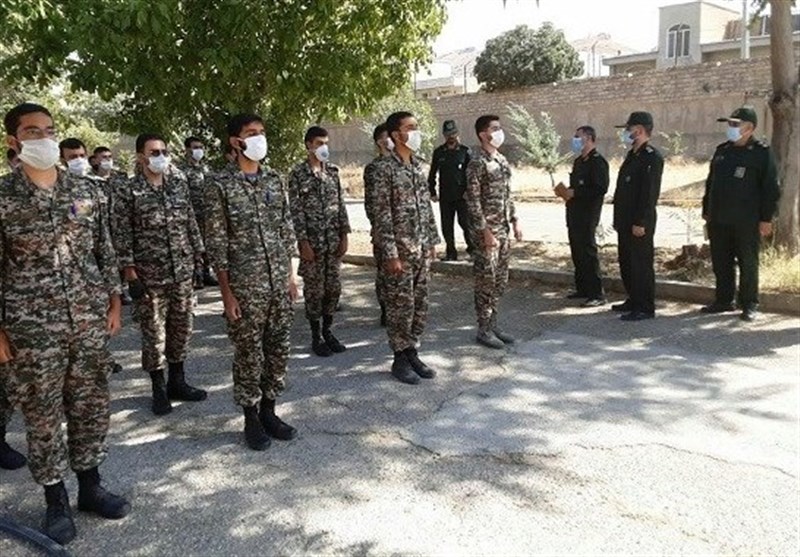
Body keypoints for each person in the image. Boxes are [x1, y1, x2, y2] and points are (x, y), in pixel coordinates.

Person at [1, 102, 129, 545]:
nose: (45, 138)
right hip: (32, 328)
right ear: (14, 141)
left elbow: (104, 250)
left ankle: (91, 487)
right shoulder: (4, 196)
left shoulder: (85, 190)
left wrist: (114, 302)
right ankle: (55, 499)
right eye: (32, 131)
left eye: (50, 130)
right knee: (42, 414)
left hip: (89, 319)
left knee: (91, 405)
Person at [204, 113, 299, 451]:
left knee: (278, 350)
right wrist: (226, 294)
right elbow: (217, 243)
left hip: (278, 284)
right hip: (245, 286)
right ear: (236, 141)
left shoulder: (273, 179)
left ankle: (270, 411)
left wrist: (290, 277)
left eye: (261, 132)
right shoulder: (219, 185)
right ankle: (251, 418)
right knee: (249, 354)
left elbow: (285, 229)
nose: (259, 138)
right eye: (251, 133)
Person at [114, 134, 207, 416]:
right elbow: (122, 235)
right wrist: (130, 275)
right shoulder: (129, 191)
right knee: (153, 334)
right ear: (140, 156)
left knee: (182, 328)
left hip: (181, 271)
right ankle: (158, 387)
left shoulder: (177, 185)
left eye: (164, 151)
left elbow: (190, 222)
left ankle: (177, 381)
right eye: (154, 152)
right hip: (149, 277)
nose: (160, 156)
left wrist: (198, 258)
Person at [372, 111, 440, 384]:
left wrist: (432, 240)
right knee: (400, 306)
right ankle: (399, 358)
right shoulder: (384, 169)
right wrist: (390, 253)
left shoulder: (417, 166)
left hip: (421, 248)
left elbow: (426, 207)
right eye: (410, 128)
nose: (415, 132)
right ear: (396, 134)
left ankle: (412, 351)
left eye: (416, 127)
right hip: (400, 252)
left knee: (420, 304)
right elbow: (381, 214)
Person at [701, 106, 780, 322]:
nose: (731, 128)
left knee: (748, 262)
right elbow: (711, 183)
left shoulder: (761, 153)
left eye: (736, 124)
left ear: (750, 128)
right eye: (730, 124)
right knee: (721, 261)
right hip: (719, 218)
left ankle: (749, 303)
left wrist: (766, 218)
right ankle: (724, 300)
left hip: (747, 220)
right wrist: (707, 211)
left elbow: (770, 188)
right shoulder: (722, 150)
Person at [288, 126, 350, 357]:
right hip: (312, 244)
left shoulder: (332, 172)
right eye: (319, 143)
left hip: (333, 242)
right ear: (308, 145)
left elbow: (340, 205)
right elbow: (296, 211)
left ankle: (328, 331)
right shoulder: (298, 174)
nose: (324, 147)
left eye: (326, 143)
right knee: (314, 291)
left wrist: (344, 235)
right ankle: (316, 336)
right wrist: (302, 242)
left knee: (333, 289)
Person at [466, 115, 522, 349]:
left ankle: (493, 324)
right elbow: (472, 200)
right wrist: (484, 231)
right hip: (486, 233)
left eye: (500, 128)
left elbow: (508, 195)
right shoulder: (477, 162)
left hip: (503, 230)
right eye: (495, 128)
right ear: (483, 134)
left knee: (500, 280)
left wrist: (515, 220)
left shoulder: (501, 159)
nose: (499, 132)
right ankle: (483, 329)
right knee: (485, 282)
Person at [612, 111, 664, 321]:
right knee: (627, 261)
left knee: (640, 264)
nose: (626, 132)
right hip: (625, 219)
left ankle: (645, 306)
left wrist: (641, 221)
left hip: (639, 221)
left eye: (629, 129)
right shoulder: (632, 155)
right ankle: (633, 299)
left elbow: (649, 193)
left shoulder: (652, 157)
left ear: (640, 130)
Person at [555, 126, 609, 307]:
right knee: (577, 251)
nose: (575, 140)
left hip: (588, 213)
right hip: (574, 212)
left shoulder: (598, 162)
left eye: (578, 137)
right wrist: (565, 192)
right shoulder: (579, 161)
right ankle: (583, 288)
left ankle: (597, 294)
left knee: (587, 252)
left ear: (589, 138)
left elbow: (600, 188)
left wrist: (576, 192)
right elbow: (575, 186)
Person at [428, 120, 475, 261]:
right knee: (447, 226)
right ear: (444, 135)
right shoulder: (439, 152)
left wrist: (469, 191)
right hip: (446, 196)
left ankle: (473, 250)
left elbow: (471, 174)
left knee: (466, 223)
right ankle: (451, 252)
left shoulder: (465, 151)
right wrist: (432, 191)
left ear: (457, 133)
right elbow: (432, 173)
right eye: (448, 134)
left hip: (462, 196)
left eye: (453, 133)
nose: (451, 136)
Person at [177, 136, 218, 289]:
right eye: (195, 147)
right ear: (187, 150)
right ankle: (196, 276)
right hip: (191, 214)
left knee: (207, 244)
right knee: (194, 245)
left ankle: (207, 272)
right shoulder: (181, 171)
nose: (199, 150)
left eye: (201, 147)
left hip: (206, 213)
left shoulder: (206, 169)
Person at [363, 123, 394, 326]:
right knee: (384, 270)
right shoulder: (373, 168)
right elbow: (370, 202)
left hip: (402, 228)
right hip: (383, 228)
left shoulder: (402, 164)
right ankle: (385, 309)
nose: (389, 140)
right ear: (379, 141)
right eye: (385, 137)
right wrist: (376, 226)